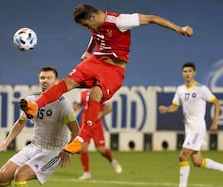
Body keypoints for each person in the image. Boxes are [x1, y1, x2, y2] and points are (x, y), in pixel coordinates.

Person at [19, 3, 194, 154]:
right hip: (96, 60)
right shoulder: (95, 24)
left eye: (87, 24)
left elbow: (152, 18)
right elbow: (96, 35)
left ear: (93, 16)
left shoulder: (120, 21)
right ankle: (35, 107)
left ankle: (81, 139)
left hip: (114, 69)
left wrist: (179, 29)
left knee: (96, 93)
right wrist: (89, 50)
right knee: (68, 82)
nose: (88, 28)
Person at [0, 66, 80, 187]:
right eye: (42, 78)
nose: (45, 81)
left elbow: (75, 130)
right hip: (34, 146)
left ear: (57, 82)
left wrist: (67, 150)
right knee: (2, 176)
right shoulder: (32, 100)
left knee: (20, 175)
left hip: (53, 152)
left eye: (49, 78)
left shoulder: (63, 105)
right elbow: (20, 123)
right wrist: (5, 144)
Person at [158, 62, 223, 187]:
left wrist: (215, 121)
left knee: (182, 156)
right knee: (198, 162)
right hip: (189, 128)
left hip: (197, 128)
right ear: (182, 74)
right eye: (185, 71)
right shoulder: (180, 89)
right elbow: (175, 106)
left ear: (194, 73)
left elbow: (216, 103)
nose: (187, 74)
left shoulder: (201, 89)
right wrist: (167, 109)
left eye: (189, 71)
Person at [73, 88, 122, 180]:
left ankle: (112, 160)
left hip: (96, 125)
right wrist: (70, 110)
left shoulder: (102, 90)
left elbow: (109, 108)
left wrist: (100, 114)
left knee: (101, 149)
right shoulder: (82, 91)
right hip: (85, 124)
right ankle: (87, 173)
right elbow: (78, 105)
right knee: (83, 148)